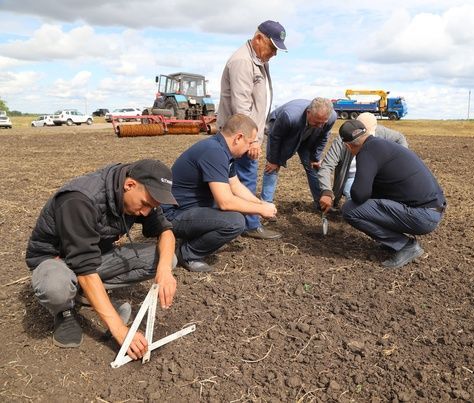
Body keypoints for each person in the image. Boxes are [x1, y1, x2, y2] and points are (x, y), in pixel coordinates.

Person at [25, 159, 179, 361]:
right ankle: (64, 311)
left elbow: (165, 231)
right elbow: (85, 270)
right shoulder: (79, 200)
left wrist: (165, 270)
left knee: (167, 258)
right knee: (55, 287)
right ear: (129, 185)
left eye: (153, 207)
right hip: (56, 262)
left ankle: (85, 295)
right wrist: (121, 331)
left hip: (93, 258)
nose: (146, 212)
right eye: (145, 204)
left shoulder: (139, 194)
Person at [163, 114, 278, 272]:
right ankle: (188, 254)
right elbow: (225, 202)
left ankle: (191, 239)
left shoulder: (221, 150)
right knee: (235, 221)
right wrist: (260, 210)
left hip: (189, 209)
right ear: (238, 138)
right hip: (173, 215)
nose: (249, 148)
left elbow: (235, 185)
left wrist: (259, 203)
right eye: (250, 142)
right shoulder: (214, 152)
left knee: (239, 209)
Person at [338, 120, 446, 269]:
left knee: (350, 209)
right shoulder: (382, 145)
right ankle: (394, 243)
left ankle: (405, 246)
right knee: (372, 202)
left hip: (423, 216)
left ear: (348, 146)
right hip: (433, 209)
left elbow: (359, 194)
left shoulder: (367, 152)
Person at [216, 20, 287, 240]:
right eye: (272, 47)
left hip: (248, 134)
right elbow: (241, 106)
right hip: (240, 135)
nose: (274, 54)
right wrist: (252, 140)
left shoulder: (257, 59)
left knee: (237, 178)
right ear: (258, 39)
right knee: (243, 178)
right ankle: (249, 224)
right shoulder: (242, 61)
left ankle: (240, 222)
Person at [318, 112, 409, 212]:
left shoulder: (381, 132)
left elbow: (400, 138)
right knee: (356, 202)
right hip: (353, 177)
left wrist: (397, 161)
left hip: (376, 176)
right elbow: (326, 166)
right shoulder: (343, 140)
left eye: (368, 135)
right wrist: (326, 192)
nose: (364, 140)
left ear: (374, 129)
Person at [260, 98, 337, 209]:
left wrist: (315, 158)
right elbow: (275, 137)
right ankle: (266, 205)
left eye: (322, 123)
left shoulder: (331, 117)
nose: (320, 126)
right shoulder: (289, 116)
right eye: (317, 122)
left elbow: (323, 137)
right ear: (308, 113)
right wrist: (273, 160)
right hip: (283, 131)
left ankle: (321, 204)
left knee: (312, 166)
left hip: (307, 135)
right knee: (272, 167)